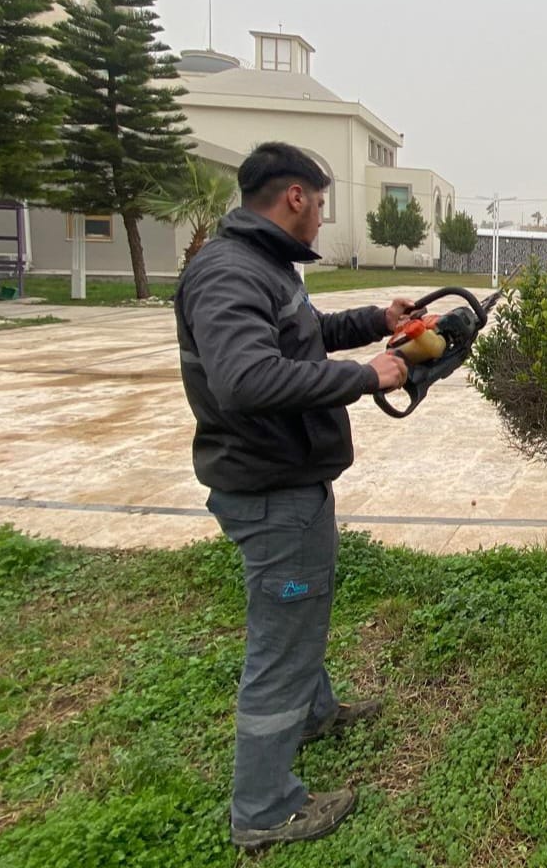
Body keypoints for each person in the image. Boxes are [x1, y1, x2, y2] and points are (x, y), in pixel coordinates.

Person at [174, 141, 417, 851]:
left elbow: (301, 340)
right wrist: (367, 377)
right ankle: (265, 809)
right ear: (296, 198)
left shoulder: (264, 266)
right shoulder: (226, 273)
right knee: (281, 645)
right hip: (270, 486)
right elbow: (247, 380)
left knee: (301, 615)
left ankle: (314, 715)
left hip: (290, 479)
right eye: (322, 203)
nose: (322, 216)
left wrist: (380, 317)